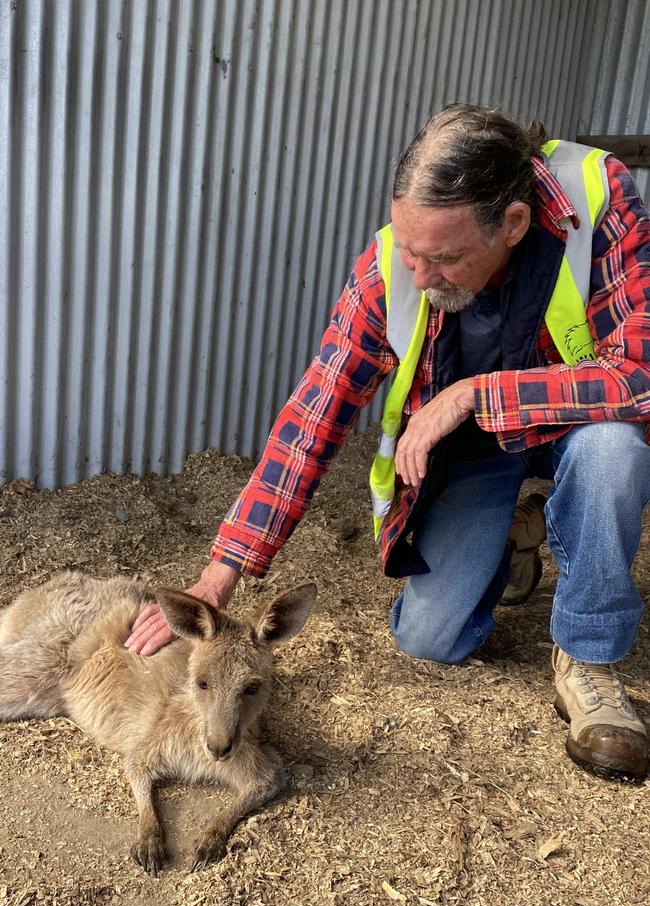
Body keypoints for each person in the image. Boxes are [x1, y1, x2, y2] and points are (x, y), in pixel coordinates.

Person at [127, 105, 650, 783]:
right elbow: (314, 415)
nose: (420, 275)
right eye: (411, 250)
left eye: (445, 258)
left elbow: (639, 374)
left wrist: (473, 394)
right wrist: (223, 570)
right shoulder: (394, 262)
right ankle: (521, 533)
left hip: (577, 428)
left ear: (513, 226)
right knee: (430, 638)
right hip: (472, 452)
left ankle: (589, 659)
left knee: (615, 451)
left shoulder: (597, 198)